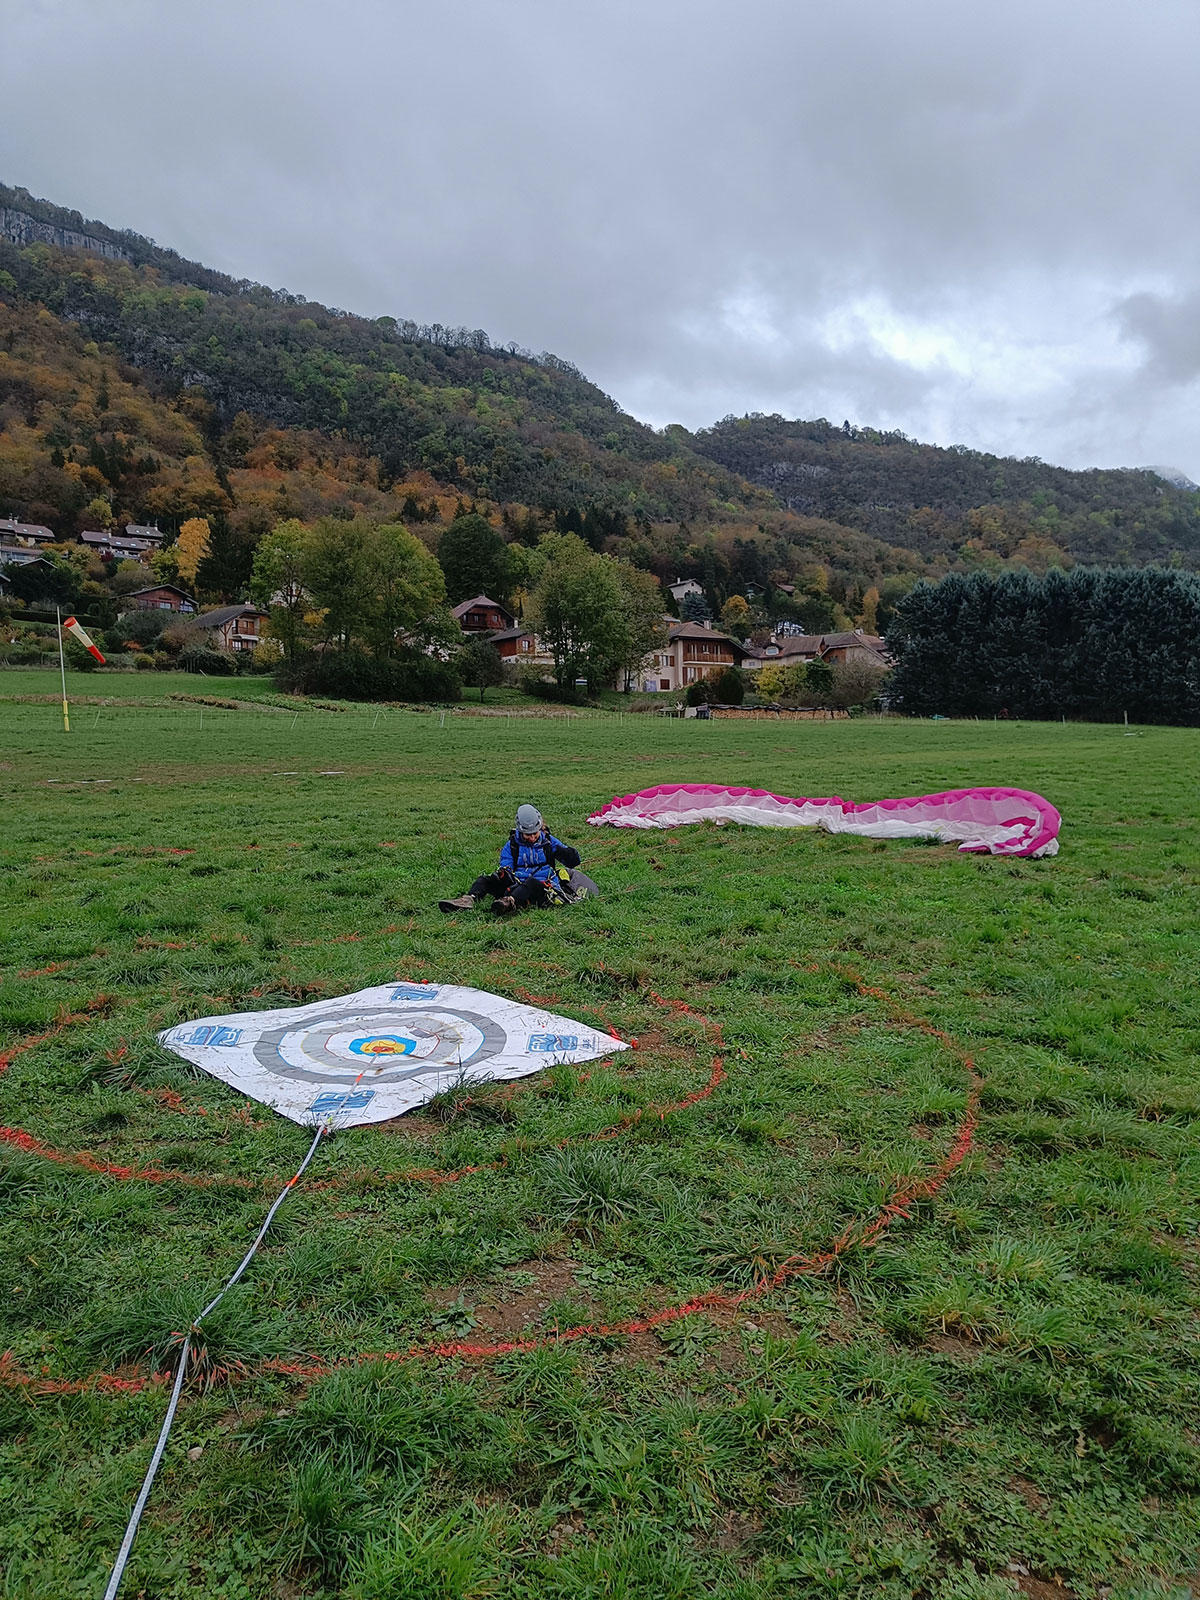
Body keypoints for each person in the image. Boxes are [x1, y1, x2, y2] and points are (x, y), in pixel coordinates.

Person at [439, 804, 583, 916]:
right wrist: (504, 874)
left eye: (535, 833)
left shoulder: (549, 842)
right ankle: (468, 899)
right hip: (516, 882)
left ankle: (509, 903)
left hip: (542, 887)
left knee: (531, 883)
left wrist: (565, 853)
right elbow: (506, 864)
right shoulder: (512, 845)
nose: (532, 838)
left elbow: (573, 862)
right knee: (485, 879)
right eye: (527, 835)